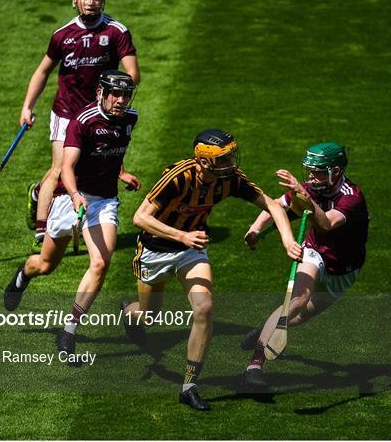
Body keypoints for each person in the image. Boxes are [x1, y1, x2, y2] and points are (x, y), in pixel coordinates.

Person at [121, 129, 303, 411]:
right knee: (149, 315)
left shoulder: (229, 179)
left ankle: (189, 385)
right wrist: (181, 236)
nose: (231, 161)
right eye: (224, 157)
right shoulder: (178, 177)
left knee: (204, 307)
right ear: (205, 161)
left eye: (231, 154)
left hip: (191, 250)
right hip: (155, 250)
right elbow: (139, 217)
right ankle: (130, 313)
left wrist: (288, 241)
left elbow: (272, 205)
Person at [4, 70, 141, 356]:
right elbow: (67, 167)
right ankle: (23, 275)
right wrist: (76, 195)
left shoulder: (130, 118)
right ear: (101, 93)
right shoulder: (83, 121)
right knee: (45, 264)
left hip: (104, 202)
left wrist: (122, 172)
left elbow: (115, 148)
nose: (120, 100)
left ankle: (69, 330)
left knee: (101, 262)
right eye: (114, 94)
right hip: (70, 197)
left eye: (125, 94)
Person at [21, 0, 140, 250]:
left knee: (95, 162)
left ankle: (39, 193)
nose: (91, 2)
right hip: (66, 111)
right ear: (75, 0)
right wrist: (27, 106)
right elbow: (43, 71)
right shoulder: (62, 35)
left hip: (100, 113)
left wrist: (117, 97)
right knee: (59, 168)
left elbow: (133, 73)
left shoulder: (116, 32)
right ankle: (42, 230)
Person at [239, 142, 369, 390]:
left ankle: (264, 328)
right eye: (309, 170)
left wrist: (306, 197)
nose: (311, 175)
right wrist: (255, 228)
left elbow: (327, 224)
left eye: (317, 171)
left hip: (345, 267)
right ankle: (254, 366)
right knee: (296, 300)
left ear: (336, 171)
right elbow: (275, 206)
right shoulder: (311, 188)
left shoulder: (352, 198)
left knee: (301, 315)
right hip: (314, 250)